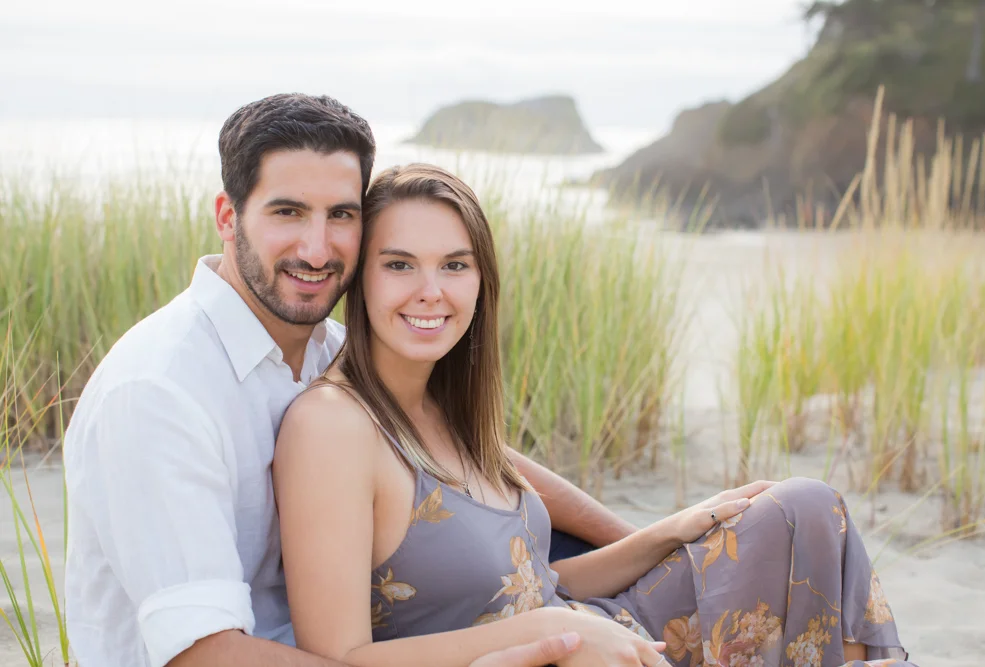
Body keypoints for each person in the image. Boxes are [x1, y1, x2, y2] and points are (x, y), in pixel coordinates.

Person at [272, 163, 919, 667]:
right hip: (543, 654)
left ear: (481, 282)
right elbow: (338, 657)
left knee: (802, 507)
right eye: (399, 264)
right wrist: (555, 631)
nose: (430, 290)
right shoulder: (332, 425)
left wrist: (666, 532)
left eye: (454, 265)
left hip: (592, 627)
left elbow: (532, 580)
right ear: (360, 281)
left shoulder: (447, 410)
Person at [61, 93, 626, 667]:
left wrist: (634, 536)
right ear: (228, 219)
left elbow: (453, 454)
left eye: (341, 215)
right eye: (288, 212)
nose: (317, 248)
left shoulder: (324, 344)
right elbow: (204, 656)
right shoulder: (159, 393)